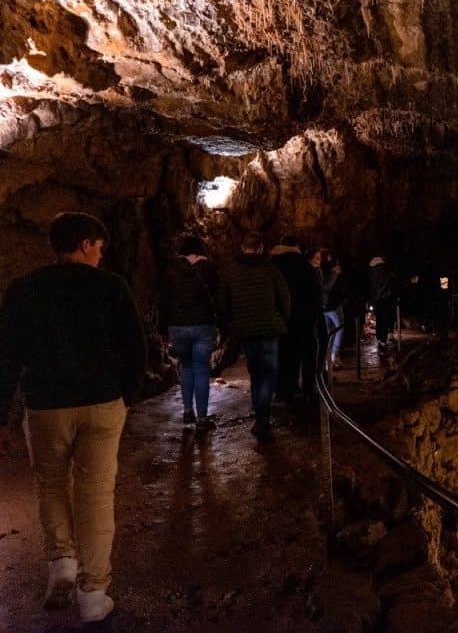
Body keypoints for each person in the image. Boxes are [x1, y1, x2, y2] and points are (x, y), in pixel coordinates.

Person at [0, 212, 147, 623]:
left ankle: (62, 562)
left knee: (50, 485)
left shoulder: (23, 290)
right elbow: (137, 348)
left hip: (46, 405)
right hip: (101, 403)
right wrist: (126, 396)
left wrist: (0, 416)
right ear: (86, 244)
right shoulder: (111, 286)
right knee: (96, 493)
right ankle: (93, 594)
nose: (101, 254)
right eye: (99, 246)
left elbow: (6, 358)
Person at [219, 232, 290, 443]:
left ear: (242, 247)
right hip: (269, 329)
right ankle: (263, 417)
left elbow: (223, 303)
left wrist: (231, 325)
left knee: (256, 374)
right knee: (268, 374)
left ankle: (260, 415)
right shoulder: (271, 270)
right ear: (260, 248)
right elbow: (285, 297)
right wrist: (282, 320)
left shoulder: (230, 272)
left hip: (246, 330)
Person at [160, 235, 219, 431]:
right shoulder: (208, 268)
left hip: (177, 326)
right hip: (203, 325)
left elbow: (164, 300)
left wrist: (164, 328)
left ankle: (187, 411)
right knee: (201, 370)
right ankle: (202, 418)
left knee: (186, 368)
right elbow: (217, 297)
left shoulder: (171, 270)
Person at [270, 235, 321, 405]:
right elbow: (315, 293)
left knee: (283, 355)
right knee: (306, 354)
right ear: (297, 246)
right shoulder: (305, 265)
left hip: (281, 318)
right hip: (304, 317)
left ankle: (284, 391)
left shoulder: (272, 264)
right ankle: (307, 389)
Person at [321, 252, 345, 369]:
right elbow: (327, 287)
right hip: (332, 305)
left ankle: (329, 360)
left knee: (329, 332)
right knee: (339, 328)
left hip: (326, 305)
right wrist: (335, 274)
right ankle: (333, 356)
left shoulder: (321, 269)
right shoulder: (332, 271)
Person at [368, 254, 396, 351]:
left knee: (379, 319)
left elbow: (370, 285)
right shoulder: (386, 269)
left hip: (376, 299)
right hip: (386, 297)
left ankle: (379, 339)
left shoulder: (371, 270)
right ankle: (383, 342)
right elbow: (392, 281)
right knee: (384, 319)